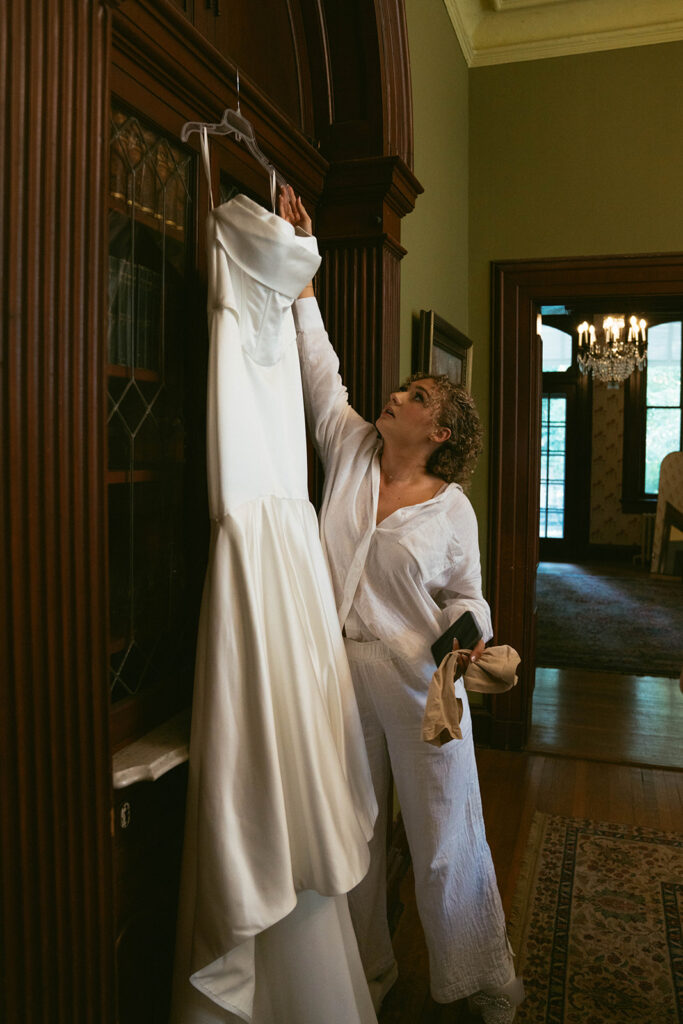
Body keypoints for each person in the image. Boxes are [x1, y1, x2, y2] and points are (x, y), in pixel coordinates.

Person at [278, 185, 524, 1023]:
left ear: (439, 431)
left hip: (422, 684)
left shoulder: (450, 511)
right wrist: (304, 275)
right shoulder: (350, 449)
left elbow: (469, 596)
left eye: (415, 397)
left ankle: (481, 981)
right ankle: (364, 978)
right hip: (336, 674)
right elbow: (321, 372)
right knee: (349, 830)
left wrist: (464, 643)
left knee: (444, 839)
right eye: (404, 390)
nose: (397, 397)